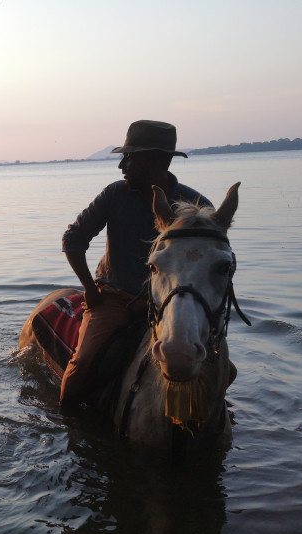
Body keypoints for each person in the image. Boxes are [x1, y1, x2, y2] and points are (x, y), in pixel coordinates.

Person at [59, 120, 212, 407]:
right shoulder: (115, 194)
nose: (121, 167)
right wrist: (90, 290)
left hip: (169, 307)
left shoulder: (194, 204)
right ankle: (65, 421)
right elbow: (73, 239)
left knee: (223, 369)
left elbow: (210, 266)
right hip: (115, 300)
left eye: (129, 158)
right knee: (83, 364)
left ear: (156, 160)